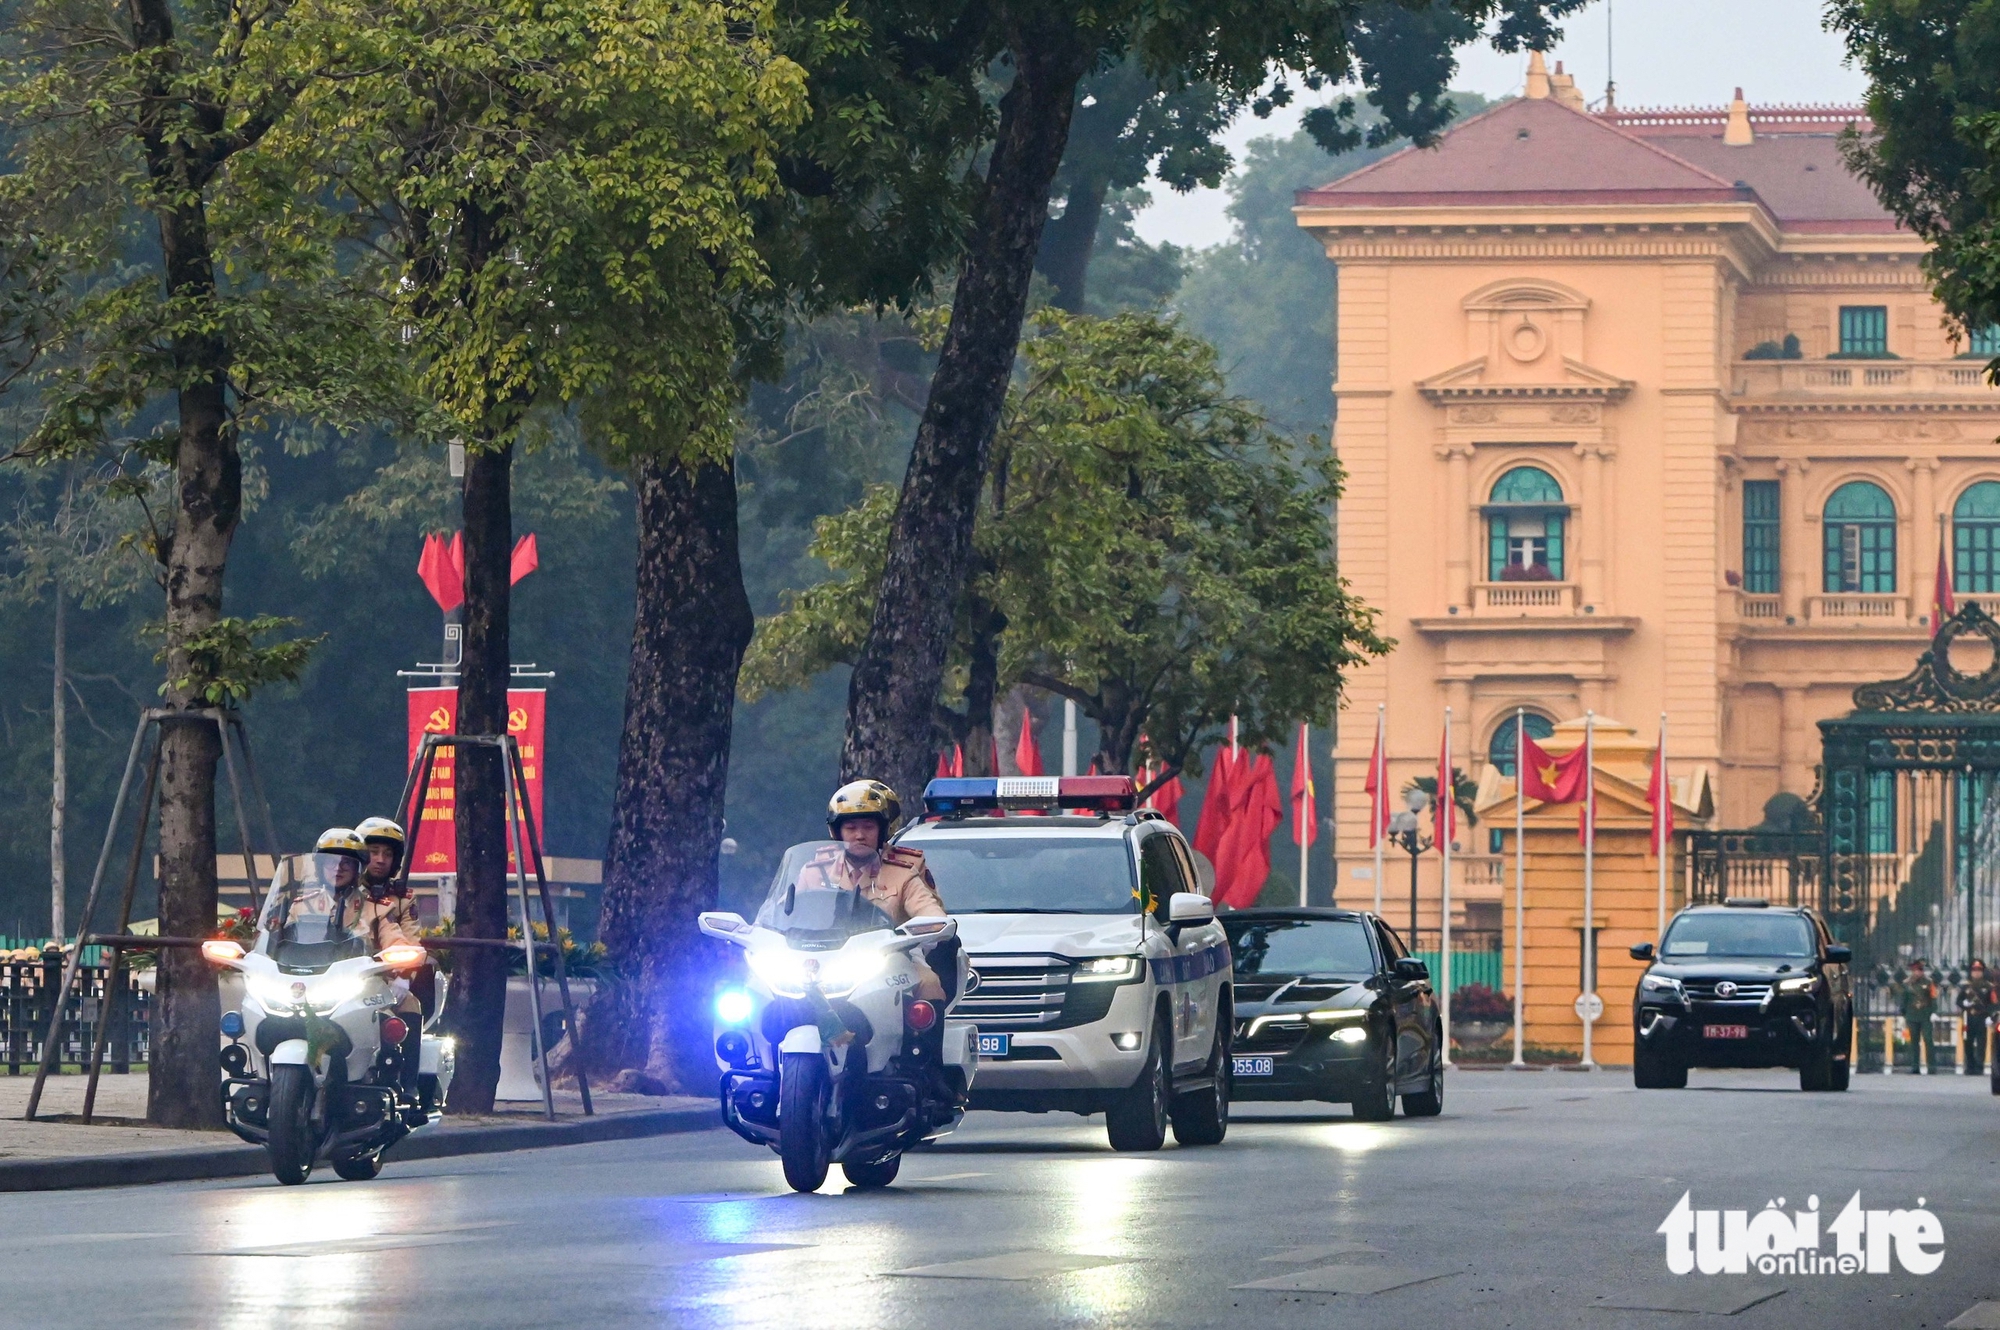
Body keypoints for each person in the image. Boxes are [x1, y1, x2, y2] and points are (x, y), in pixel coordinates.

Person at [800, 780, 950, 1001]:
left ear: (882, 831)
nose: (859, 835)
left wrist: (922, 930)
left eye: (868, 827)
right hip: (824, 960)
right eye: (851, 828)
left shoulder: (903, 873)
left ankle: (924, 1036)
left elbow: (933, 916)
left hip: (892, 959)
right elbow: (782, 914)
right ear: (837, 832)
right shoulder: (815, 872)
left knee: (928, 982)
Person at [354, 816, 425, 1098]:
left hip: (384, 979)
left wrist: (403, 977)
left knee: (412, 1007)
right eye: (373, 852)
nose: (380, 860)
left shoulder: (403, 898)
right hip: (341, 974)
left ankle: (407, 1083)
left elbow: (411, 940)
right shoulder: (341, 892)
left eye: (387, 854)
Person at [1899, 959, 1938, 1073]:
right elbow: (1903, 1000)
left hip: (1925, 1015)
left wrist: (1934, 1011)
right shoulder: (1906, 983)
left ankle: (1931, 1066)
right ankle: (1914, 1066)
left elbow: (1933, 997)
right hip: (1912, 1015)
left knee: (1928, 1039)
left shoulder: (1929, 982)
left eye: (1920, 970)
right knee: (1914, 1042)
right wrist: (1902, 1014)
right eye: (1916, 970)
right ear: (1912, 971)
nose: (1918, 972)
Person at [1959, 959, 1995, 1077]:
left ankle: (1979, 1066)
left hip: (1981, 1017)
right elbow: (1958, 1001)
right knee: (1967, 1042)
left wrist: (1990, 1016)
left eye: (1979, 970)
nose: (1976, 973)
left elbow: (1992, 1003)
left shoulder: (1988, 986)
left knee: (1981, 1043)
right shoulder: (1965, 986)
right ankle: (1970, 1066)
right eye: (1974, 970)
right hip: (1968, 1017)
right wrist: (1964, 1003)